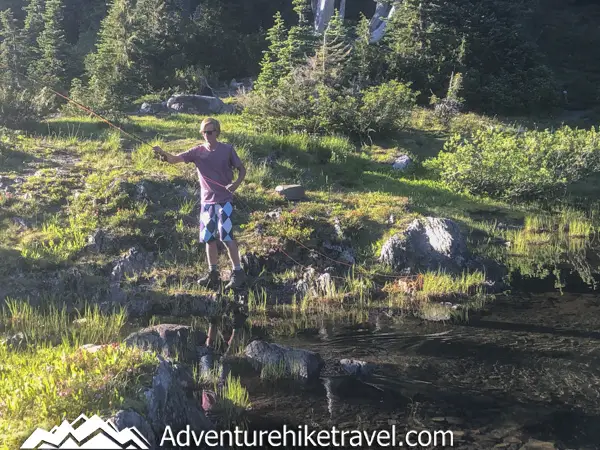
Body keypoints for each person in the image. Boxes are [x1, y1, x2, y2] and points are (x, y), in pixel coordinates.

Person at [153, 117, 247, 289]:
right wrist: (162, 153)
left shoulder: (227, 150)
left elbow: (242, 169)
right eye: (204, 132)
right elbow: (174, 159)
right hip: (206, 203)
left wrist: (236, 184)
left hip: (224, 201)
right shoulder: (197, 151)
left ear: (217, 132)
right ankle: (213, 274)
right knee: (208, 238)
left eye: (210, 132)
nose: (207, 135)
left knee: (226, 236)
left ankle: (238, 272)